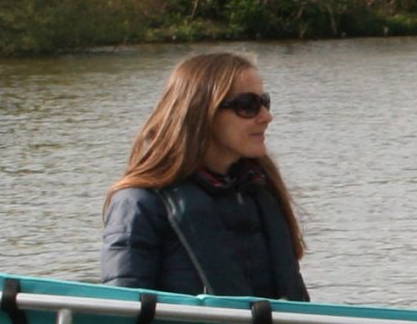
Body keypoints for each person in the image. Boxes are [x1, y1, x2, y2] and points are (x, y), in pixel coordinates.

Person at [101, 51, 310, 300]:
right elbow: (121, 309)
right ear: (202, 112)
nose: (266, 116)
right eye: (248, 105)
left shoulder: (260, 191)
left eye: (265, 102)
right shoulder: (139, 204)